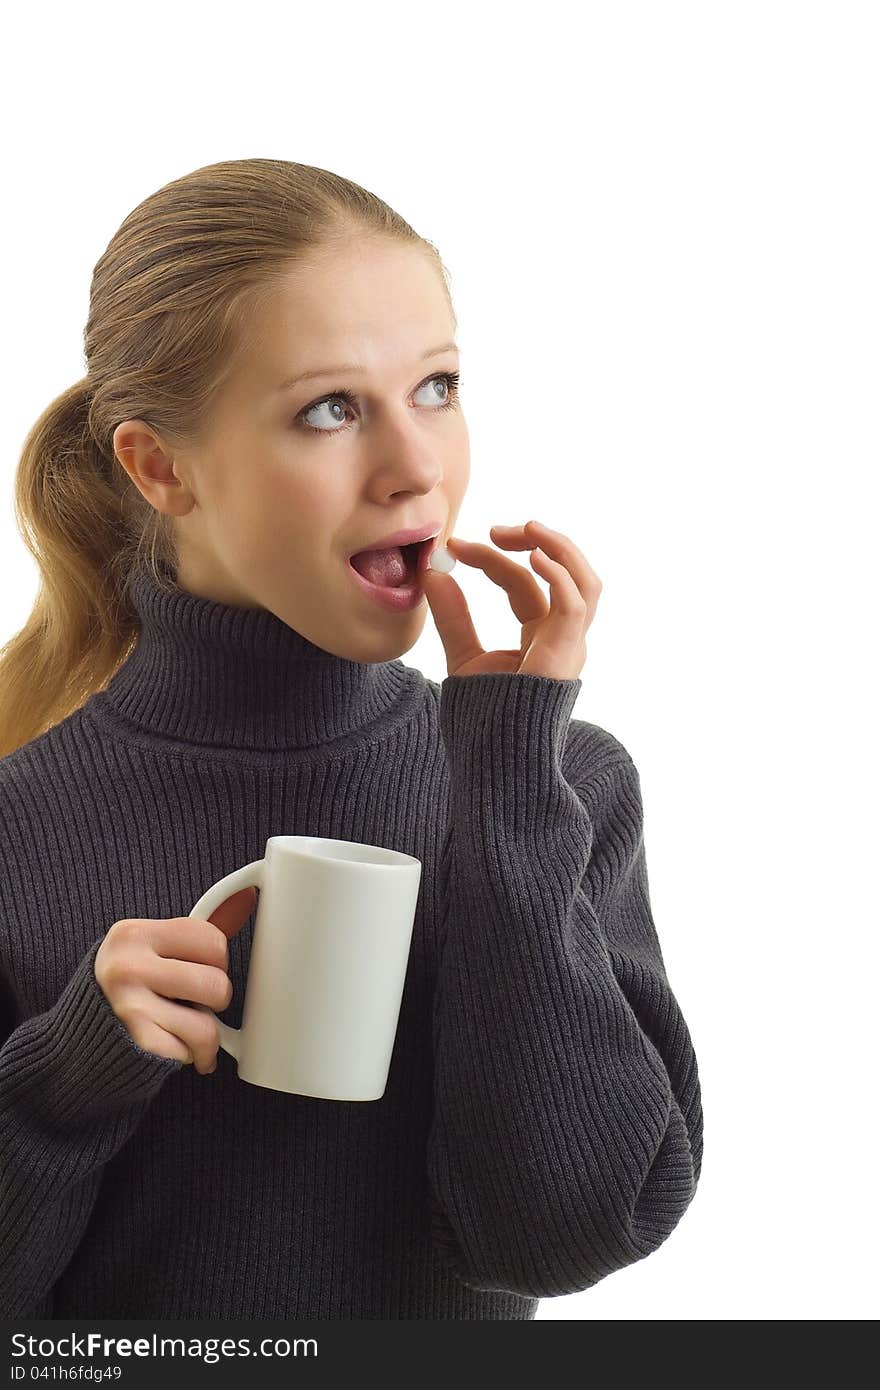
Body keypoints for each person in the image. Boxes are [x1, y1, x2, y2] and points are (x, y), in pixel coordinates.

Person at [0, 157, 703, 1320]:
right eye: (330, 408)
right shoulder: (24, 824)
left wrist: (507, 782)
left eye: (436, 386)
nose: (417, 467)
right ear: (159, 465)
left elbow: (558, 1238)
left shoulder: (560, 783)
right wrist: (60, 1085)